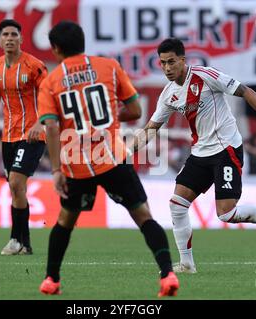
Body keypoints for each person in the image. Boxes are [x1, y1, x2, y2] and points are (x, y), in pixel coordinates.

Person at [28, 21, 179, 297]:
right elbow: (134, 110)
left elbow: (50, 127)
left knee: (65, 221)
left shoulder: (50, 82)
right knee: (143, 216)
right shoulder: (108, 67)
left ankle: (51, 280)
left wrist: (56, 170)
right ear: (83, 42)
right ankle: (168, 274)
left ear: (56, 48)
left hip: (76, 164)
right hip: (112, 158)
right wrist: (109, 115)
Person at [130, 38, 256, 274]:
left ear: (182, 60)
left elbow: (245, 91)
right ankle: (187, 263)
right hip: (200, 153)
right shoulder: (168, 95)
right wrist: (126, 151)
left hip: (226, 149)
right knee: (177, 205)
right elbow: (150, 129)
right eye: (163, 63)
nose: (167, 68)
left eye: (171, 62)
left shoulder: (205, 75)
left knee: (226, 213)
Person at [0, 19, 48, 255]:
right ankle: (26, 244)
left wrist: (40, 122)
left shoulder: (34, 66)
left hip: (32, 135)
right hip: (8, 136)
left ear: (21, 39)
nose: (9, 38)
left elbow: (49, 95)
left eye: (13, 34)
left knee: (16, 183)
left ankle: (14, 240)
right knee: (16, 189)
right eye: (5, 34)